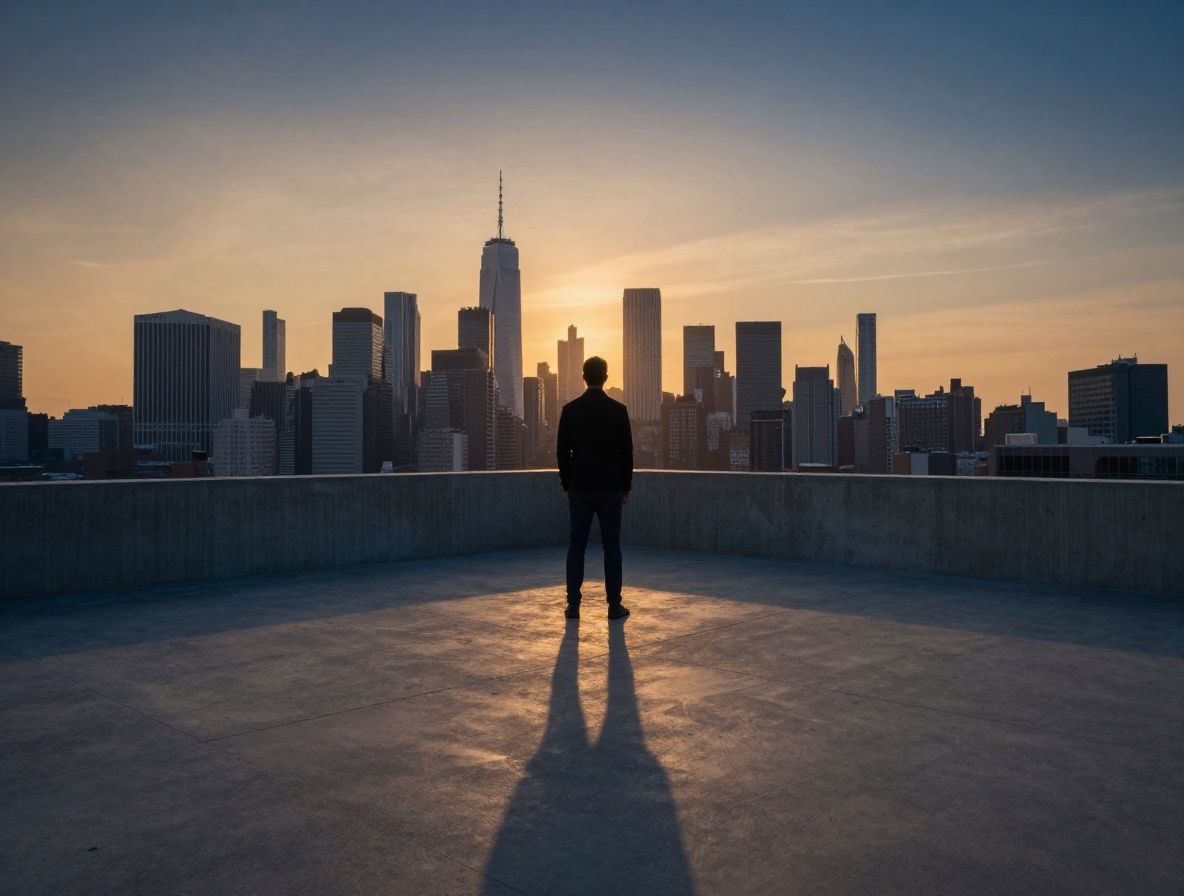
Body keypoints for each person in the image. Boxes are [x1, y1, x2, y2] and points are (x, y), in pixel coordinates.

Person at [556, 356, 633, 621]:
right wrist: (626, 486)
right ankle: (614, 606)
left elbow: (562, 453)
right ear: (606, 377)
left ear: (583, 377)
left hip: (580, 488)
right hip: (610, 488)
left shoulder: (570, 410)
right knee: (612, 547)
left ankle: (573, 606)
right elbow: (627, 453)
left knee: (576, 546)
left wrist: (567, 484)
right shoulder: (618, 411)